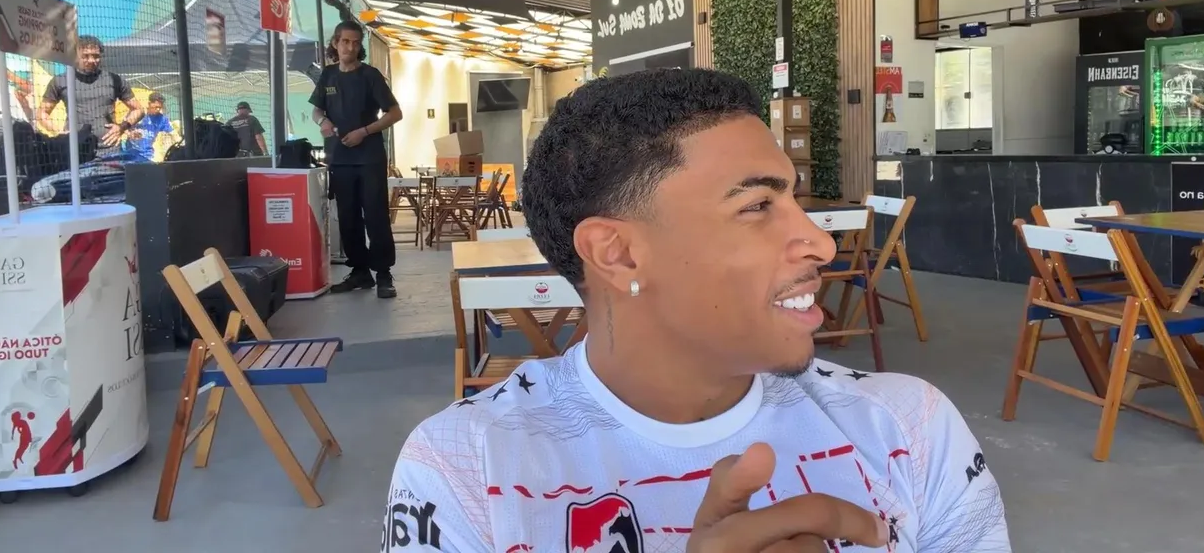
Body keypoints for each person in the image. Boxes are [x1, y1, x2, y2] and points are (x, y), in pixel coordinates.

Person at [384, 69, 1010, 552]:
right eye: (757, 207)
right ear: (618, 253)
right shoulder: (465, 466)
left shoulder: (906, 429)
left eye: (793, 199)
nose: (821, 245)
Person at [310, 21, 402, 299]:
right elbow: (316, 111)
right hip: (339, 159)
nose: (350, 47)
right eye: (345, 41)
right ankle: (360, 272)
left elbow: (395, 113)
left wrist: (365, 131)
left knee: (375, 215)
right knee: (348, 217)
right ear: (335, 43)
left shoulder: (370, 76)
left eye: (355, 42)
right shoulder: (327, 76)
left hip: (370, 158)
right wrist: (323, 122)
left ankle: (383, 273)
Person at [36, 35, 143, 152]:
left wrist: (122, 127)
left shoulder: (114, 80)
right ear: (75, 56)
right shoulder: (61, 80)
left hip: (109, 151)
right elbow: (42, 113)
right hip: (75, 151)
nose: (91, 60)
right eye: (85, 56)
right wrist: (59, 133)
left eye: (96, 56)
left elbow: (138, 110)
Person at [123, 92, 177, 163]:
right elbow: (123, 127)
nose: (158, 109)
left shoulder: (162, 119)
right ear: (149, 103)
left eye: (160, 107)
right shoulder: (139, 113)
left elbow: (172, 133)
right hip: (131, 155)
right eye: (156, 107)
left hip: (148, 156)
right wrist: (130, 134)